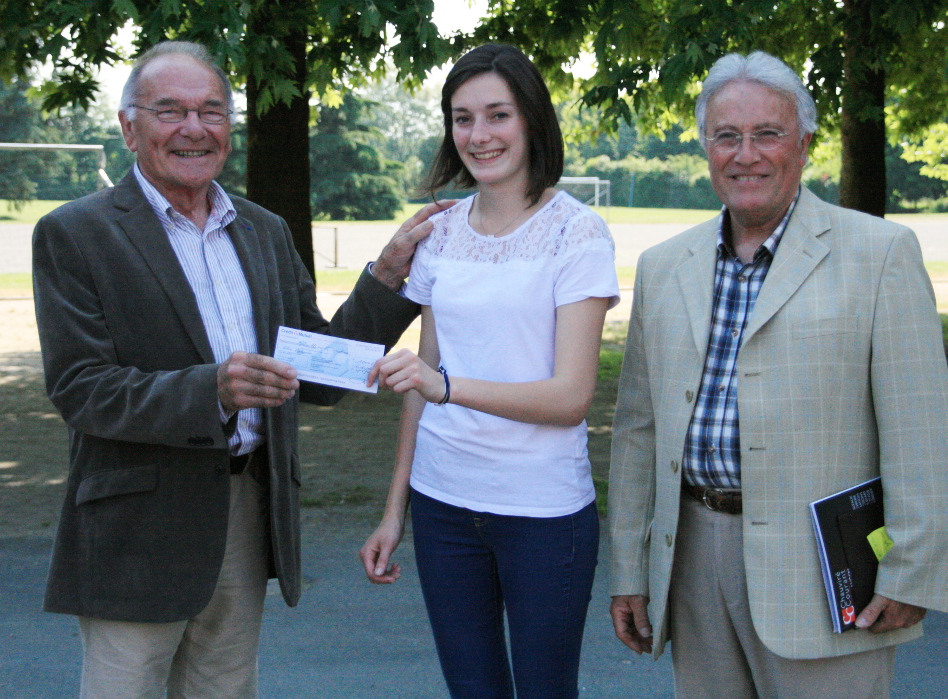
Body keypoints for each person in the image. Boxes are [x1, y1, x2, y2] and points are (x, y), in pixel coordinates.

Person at [32, 40, 445, 699]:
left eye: (212, 111)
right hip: (139, 530)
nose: (194, 128)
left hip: (247, 516)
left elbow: (313, 371)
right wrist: (212, 390)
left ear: (230, 125)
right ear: (128, 126)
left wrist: (385, 279)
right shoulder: (74, 233)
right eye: (170, 111)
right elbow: (82, 389)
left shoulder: (262, 229)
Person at [607, 51, 948, 698]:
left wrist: (913, 569)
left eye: (767, 134)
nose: (746, 154)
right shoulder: (663, 266)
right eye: (726, 136)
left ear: (803, 144)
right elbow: (638, 429)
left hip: (824, 571)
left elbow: (923, 428)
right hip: (692, 562)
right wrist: (630, 567)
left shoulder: (880, 254)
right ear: (706, 149)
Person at [360, 44, 619, 698]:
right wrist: (397, 510)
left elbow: (570, 397)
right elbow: (424, 372)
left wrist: (445, 386)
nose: (479, 135)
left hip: (543, 512)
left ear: (531, 119)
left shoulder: (578, 233)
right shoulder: (440, 234)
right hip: (444, 506)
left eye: (497, 115)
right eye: (462, 118)